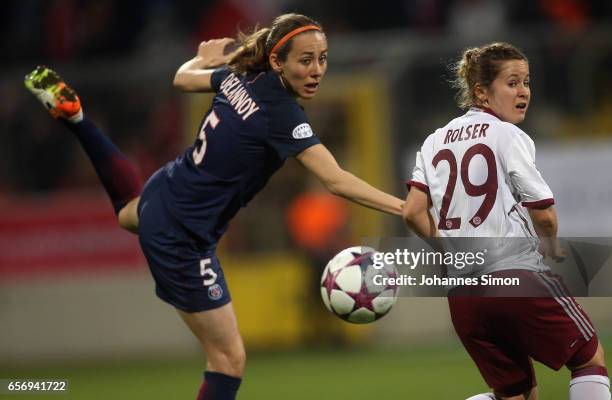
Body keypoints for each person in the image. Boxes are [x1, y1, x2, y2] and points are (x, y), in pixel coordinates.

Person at [24, 13, 404, 400]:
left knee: (129, 213)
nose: (317, 70)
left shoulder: (238, 77)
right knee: (228, 360)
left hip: (167, 190)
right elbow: (335, 179)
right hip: (184, 239)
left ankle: (78, 121)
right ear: (277, 61)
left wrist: (206, 60)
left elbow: (181, 77)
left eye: (322, 58)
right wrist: (405, 208)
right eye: (305, 60)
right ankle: (79, 121)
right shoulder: (283, 113)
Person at [401, 42, 609, 400]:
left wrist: (451, 252)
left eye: (526, 82)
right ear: (481, 92)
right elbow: (542, 211)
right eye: (512, 82)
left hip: (463, 296)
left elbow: (412, 212)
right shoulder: (508, 135)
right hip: (515, 277)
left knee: (516, 393)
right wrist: (550, 244)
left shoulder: (433, 142)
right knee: (589, 359)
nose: (524, 91)